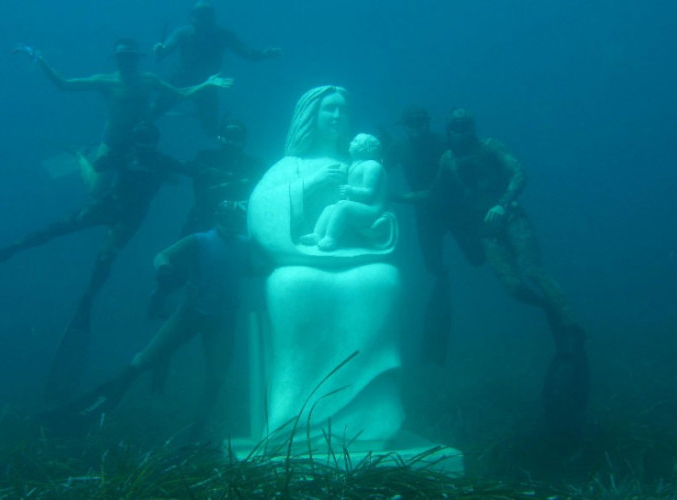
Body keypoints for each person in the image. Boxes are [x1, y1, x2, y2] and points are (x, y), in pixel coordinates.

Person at [0, 122, 194, 401]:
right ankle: (15, 253)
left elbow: (101, 170)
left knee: (92, 249)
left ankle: (21, 257)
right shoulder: (156, 159)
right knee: (77, 239)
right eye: (143, 140)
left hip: (118, 213)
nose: (145, 145)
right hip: (119, 212)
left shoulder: (141, 156)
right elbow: (183, 171)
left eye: (147, 140)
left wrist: (87, 157)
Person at [417, 108, 589, 441]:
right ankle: (550, 309)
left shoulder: (491, 147)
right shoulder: (447, 161)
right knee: (512, 285)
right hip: (486, 230)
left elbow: (519, 173)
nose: (461, 132)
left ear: (474, 127)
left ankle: (569, 320)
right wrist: (390, 195)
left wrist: (504, 204)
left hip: (509, 217)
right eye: (455, 127)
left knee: (532, 269)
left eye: (466, 126)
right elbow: (433, 193)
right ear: (449, 131)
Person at [247, 86, 403, 445]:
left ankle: (370, 417)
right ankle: (294, 418)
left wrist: (371, 223)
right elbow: (260, 212)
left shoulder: (362, 167)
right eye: (328, 109)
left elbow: (379, 214)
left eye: (342, 110)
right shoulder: (290, 166)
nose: (336, 117)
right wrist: (312, 183)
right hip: (300, 260)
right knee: (290, 284)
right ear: (310, 117)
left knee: (385, 280)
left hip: (357, 258)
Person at [42, 201, 251, 434]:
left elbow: (256, 265)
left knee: (216, 378)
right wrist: (163, 269)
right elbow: (162, 255)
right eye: (228, 219)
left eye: (237, 221)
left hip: (222, 319)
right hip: (191, 314)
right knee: (144, 361)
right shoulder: (199, 240)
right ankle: (98, 405)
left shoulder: (244, 245)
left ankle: (196, 432)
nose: (232, 225)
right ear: (218, 218)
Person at [20, 38, 233, 171]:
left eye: (130, 57)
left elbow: (180, 94)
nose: (127, 61)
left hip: (139, 142)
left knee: (144, 179)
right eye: (122, 57)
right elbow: (64, 84)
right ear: (116, 59)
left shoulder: (149, 80)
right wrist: (41, 61)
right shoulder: (105, 81)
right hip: (112, 140)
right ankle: (81, 155)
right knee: (96, 189)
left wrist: (207, 83)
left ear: (137, 58)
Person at [152, 1, 282, 137]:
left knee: (211, 130)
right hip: (184, 79)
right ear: (192, 16)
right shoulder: (184, 33)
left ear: (212, 16)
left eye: (206, 14)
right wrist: (160, 50)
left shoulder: (221, 34)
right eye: (200, 14)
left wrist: (263, 54)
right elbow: (167, 48)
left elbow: (245, 52)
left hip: (209, 83)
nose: (203, 18)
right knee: (153, 112)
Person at [384, 107, 451, 366]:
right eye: (411, 122)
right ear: (404, 125)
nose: (416, 127)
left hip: (453, 207)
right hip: (426, 211)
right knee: (433, 265)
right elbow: (378, 172)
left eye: (420, 122)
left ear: (428, 122)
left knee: (477, 257)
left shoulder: (442, 143)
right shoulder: (399, 147)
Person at [300, 133, 388, 251]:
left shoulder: (372, 166)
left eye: (355, 141)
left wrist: (351, 191)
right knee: (330, 208)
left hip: (372, 210)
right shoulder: (354, 165)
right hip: (359, 207)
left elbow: (370, 193)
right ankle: (317, 235)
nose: (351, 143)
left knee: (343, 206)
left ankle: (330, 238)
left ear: (365, 149)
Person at [181, 119, 266, 235]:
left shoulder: (255, 165)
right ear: (220, 137)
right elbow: (201, 188)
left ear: (244, 140)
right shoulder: (205, 157)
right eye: (228, 135)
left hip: (240, 223)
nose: (231, 141)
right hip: (204, 219)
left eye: (236, 136)